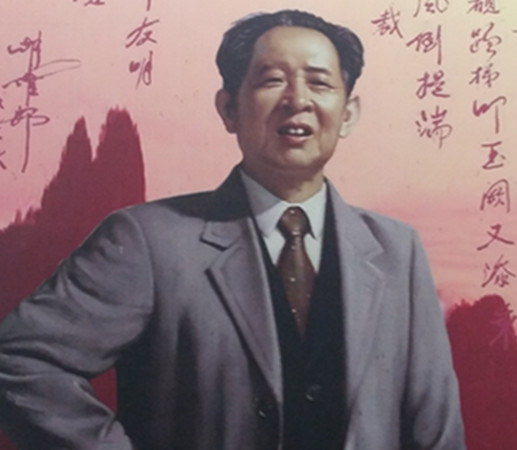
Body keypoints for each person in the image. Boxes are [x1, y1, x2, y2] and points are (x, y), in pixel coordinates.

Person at [0, 9, 465, 450]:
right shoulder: (146, 240)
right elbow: (19, 362)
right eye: (272, 80)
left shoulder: (397, 249)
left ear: (348, 114)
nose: (297, 100)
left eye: (319, 82)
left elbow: (436, 430)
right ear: (228, 109)